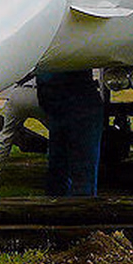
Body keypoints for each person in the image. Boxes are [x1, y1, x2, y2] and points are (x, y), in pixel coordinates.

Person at [34, 69, 105, 197]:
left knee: (68, 168)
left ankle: (75, 206)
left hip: (70, 100)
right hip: (68, 101)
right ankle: (70, 205)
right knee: (64, 167)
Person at [0, 77, 43, 185]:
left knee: (6, 135)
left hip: (19, 92)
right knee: (58, 132)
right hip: (39, 94)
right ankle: (59, 174)